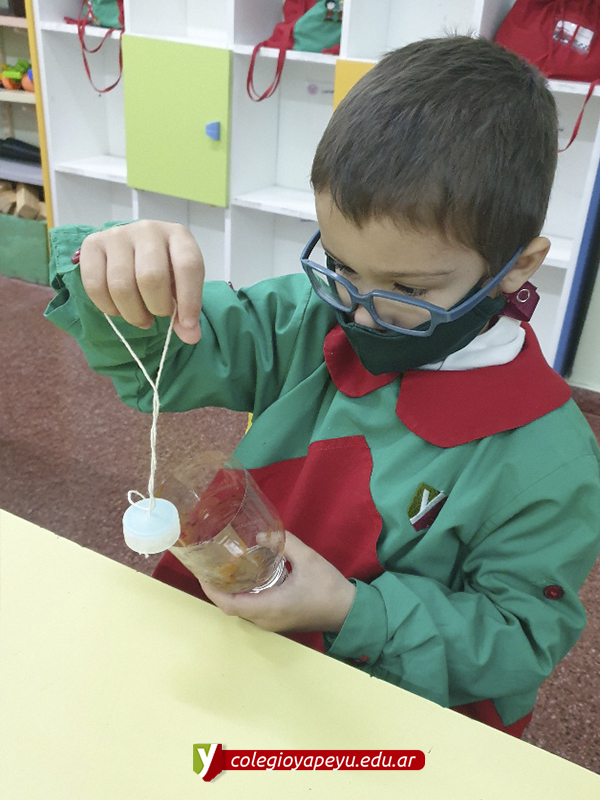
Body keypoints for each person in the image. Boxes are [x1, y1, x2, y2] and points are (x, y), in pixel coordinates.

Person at [44, 35, 600, 738]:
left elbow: (518, 641)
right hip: (233, 664)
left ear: (518, 267)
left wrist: (348, 609)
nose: (359, 311)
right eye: (341, 265)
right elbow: (167, 360)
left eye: (407, 289)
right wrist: (119, 276)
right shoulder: (308, 317)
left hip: (378, 720)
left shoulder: (546, 456)